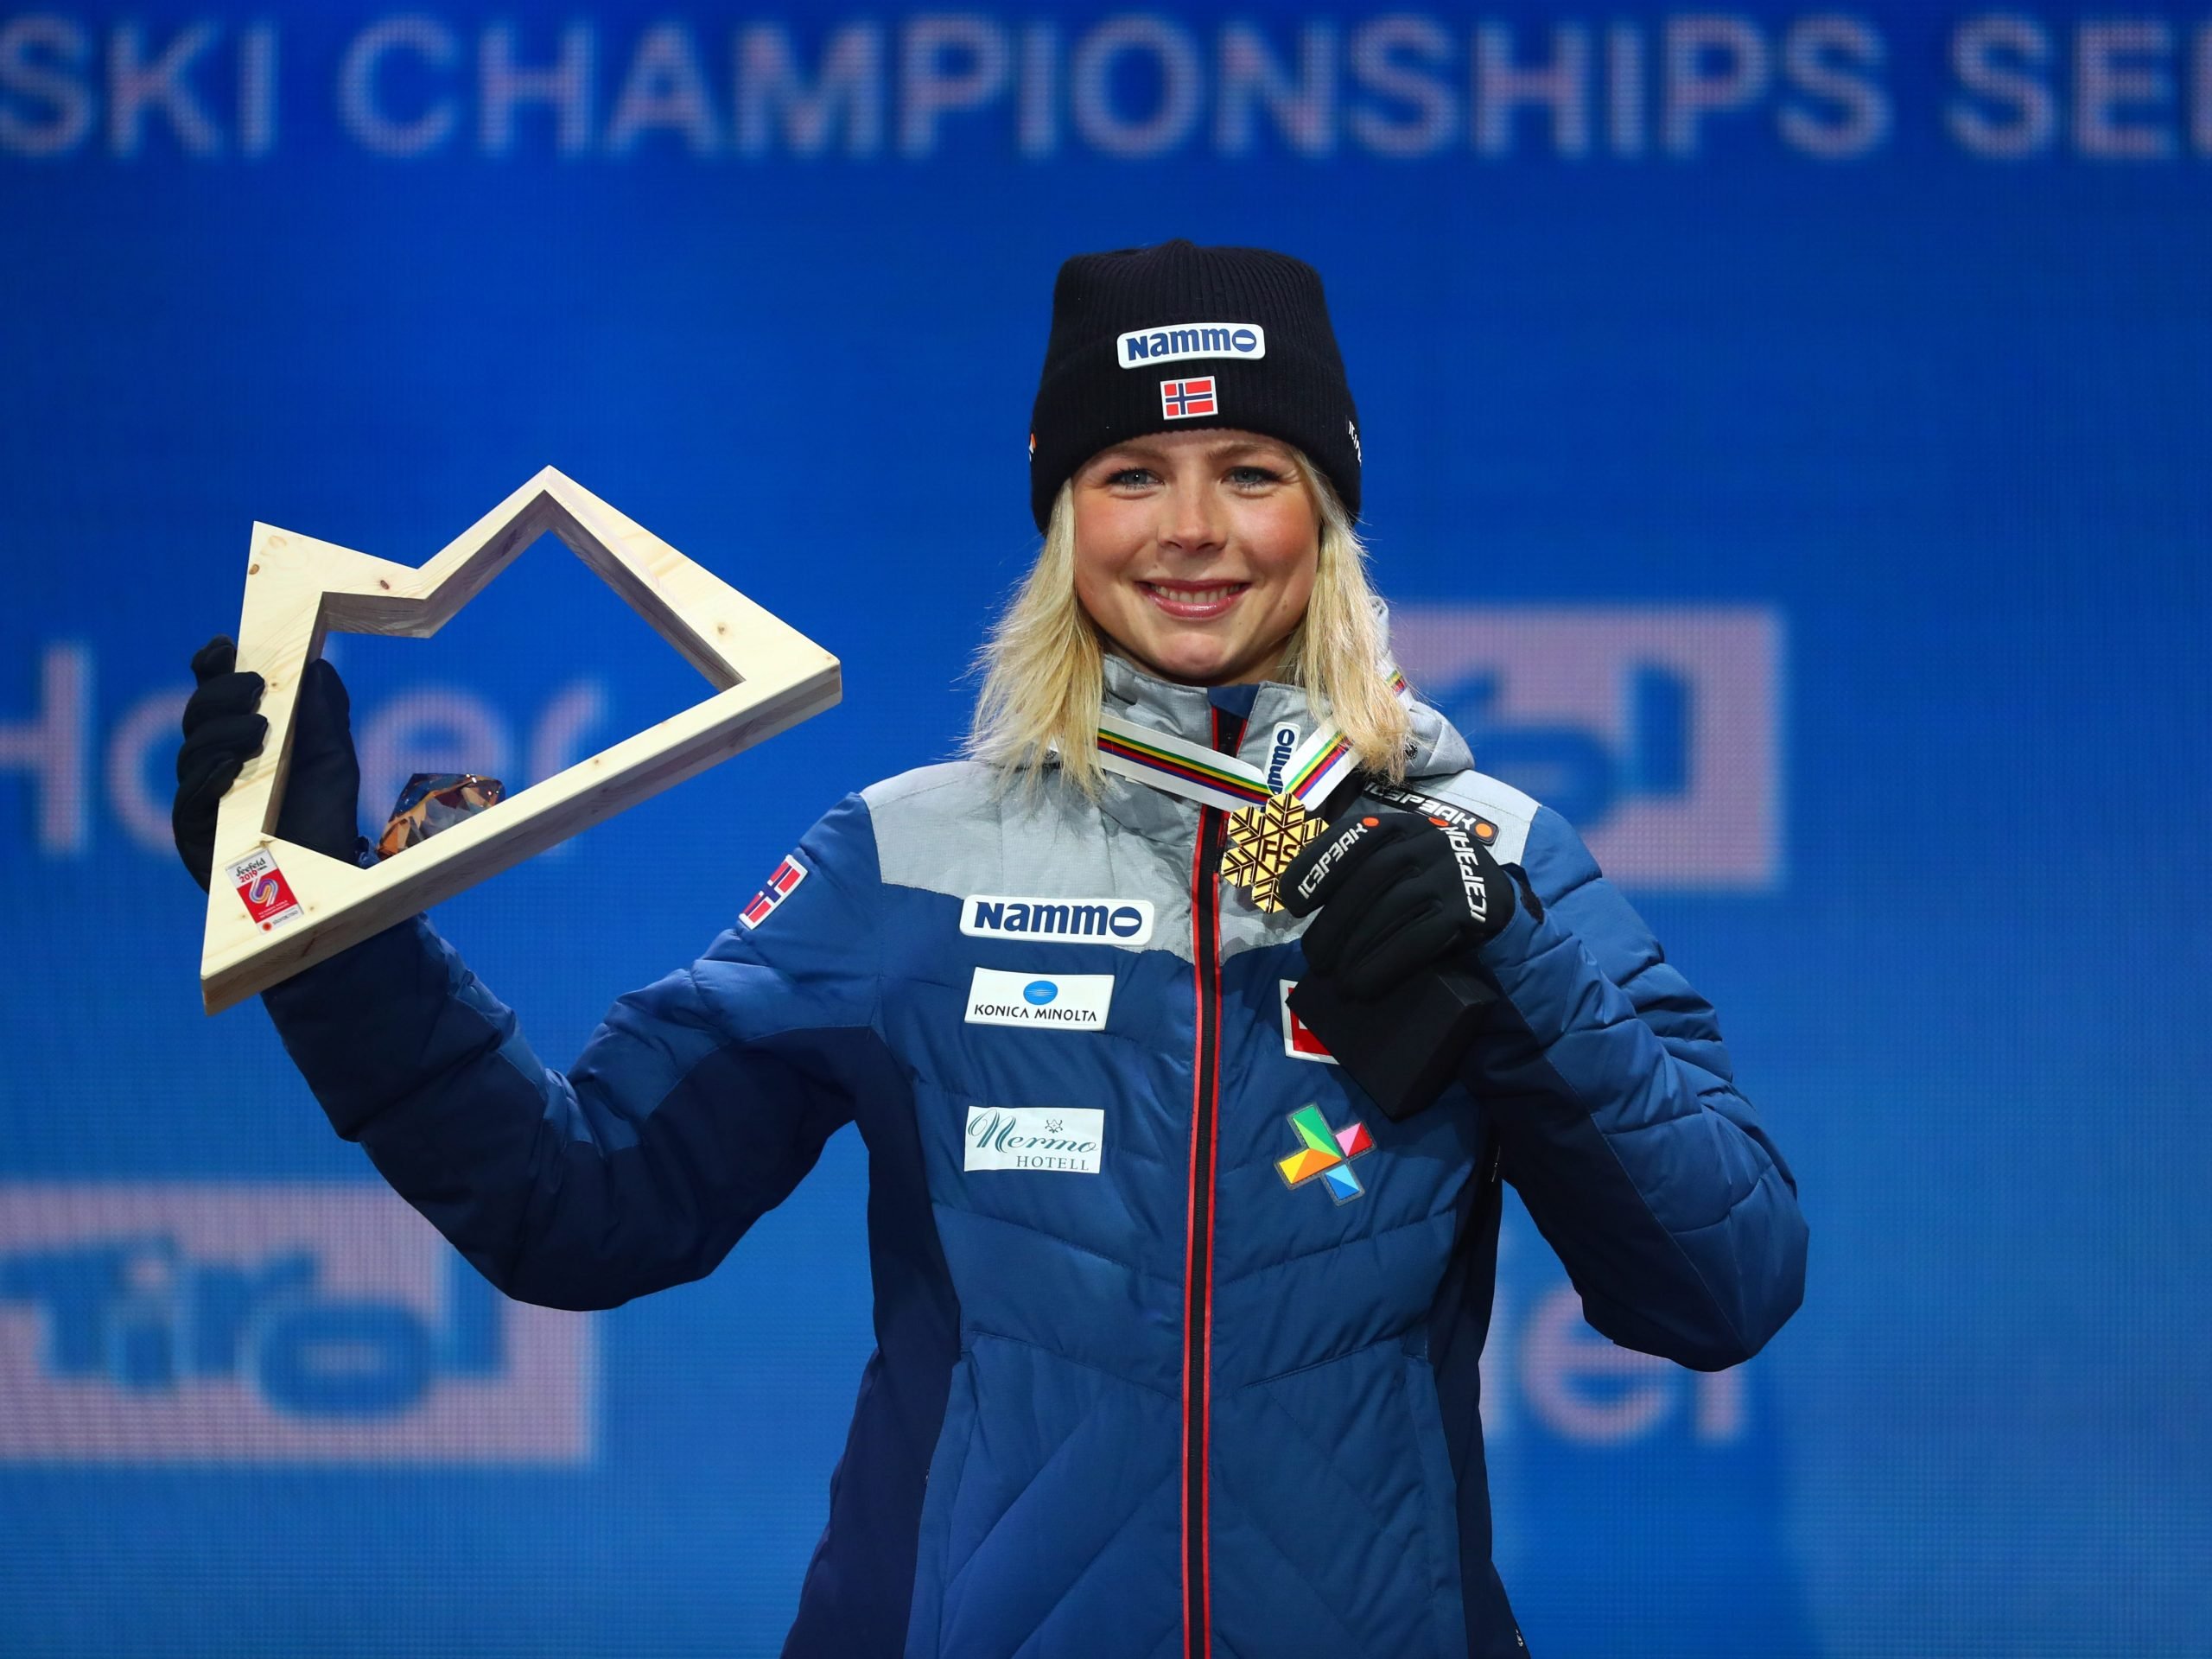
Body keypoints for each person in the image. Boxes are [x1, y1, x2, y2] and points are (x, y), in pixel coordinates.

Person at [171, 240, 1807, 1659]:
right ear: (1060, 516)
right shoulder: (909, 856)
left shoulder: (1493, 857)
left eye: (1251, 472)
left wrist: (1512, 969)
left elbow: (1721, 1287)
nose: (1192, 531)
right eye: (1130, 476)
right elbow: (580, 1205)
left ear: (1328, 513)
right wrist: (328, 930)